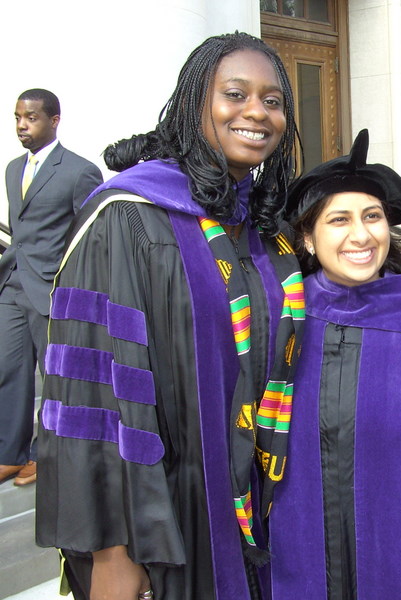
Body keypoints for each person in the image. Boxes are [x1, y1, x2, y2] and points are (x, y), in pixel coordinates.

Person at [35, 32, 303, 600]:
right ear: (193, 104)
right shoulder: (128, 218)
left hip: (257, 507)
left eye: (273, 100)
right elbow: (89, 397)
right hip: (166, 518)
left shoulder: (262, 228)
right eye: (235, 94)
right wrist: (112, 551)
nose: (257, 112)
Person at [268, 129, 401, 599]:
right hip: (295, 551)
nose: (361, 235)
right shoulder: (281, 321)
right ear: (307, 237)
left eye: (372, 216)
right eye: (339, 220)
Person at [0, 88, 102, 486]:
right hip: (12, 283)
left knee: (55, 375)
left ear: (54, 120)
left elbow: (88, 238)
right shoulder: (13, 169)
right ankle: (10, 453)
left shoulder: (79, 171)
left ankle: (46, 454)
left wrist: (72, 289)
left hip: (51, 289)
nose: (22, 125)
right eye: (17, 118)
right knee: (8, 368)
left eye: (31, 118)